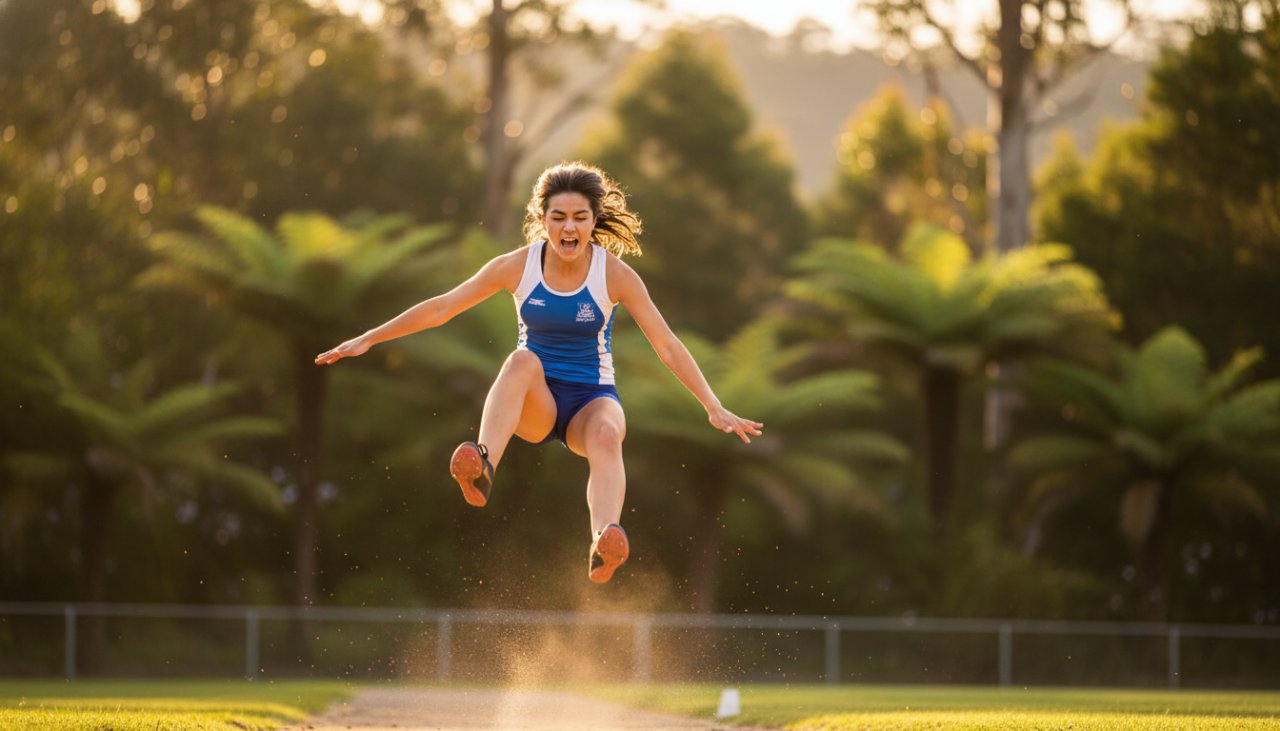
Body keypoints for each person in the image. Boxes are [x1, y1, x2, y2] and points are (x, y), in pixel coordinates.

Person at [315, 162, 763, 583]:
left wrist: (712, 405)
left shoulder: (616, 275)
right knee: (522, 359)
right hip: (538, 402)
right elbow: (443, 307)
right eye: (559, 217)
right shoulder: (518, 266)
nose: (569, 227)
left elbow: (666, 344)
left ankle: (604, 543)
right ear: (543, 219)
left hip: (592, 400)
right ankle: (483, 465)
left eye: (580, 217)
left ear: (594, 220)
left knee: (608, 435)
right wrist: (370, 337)